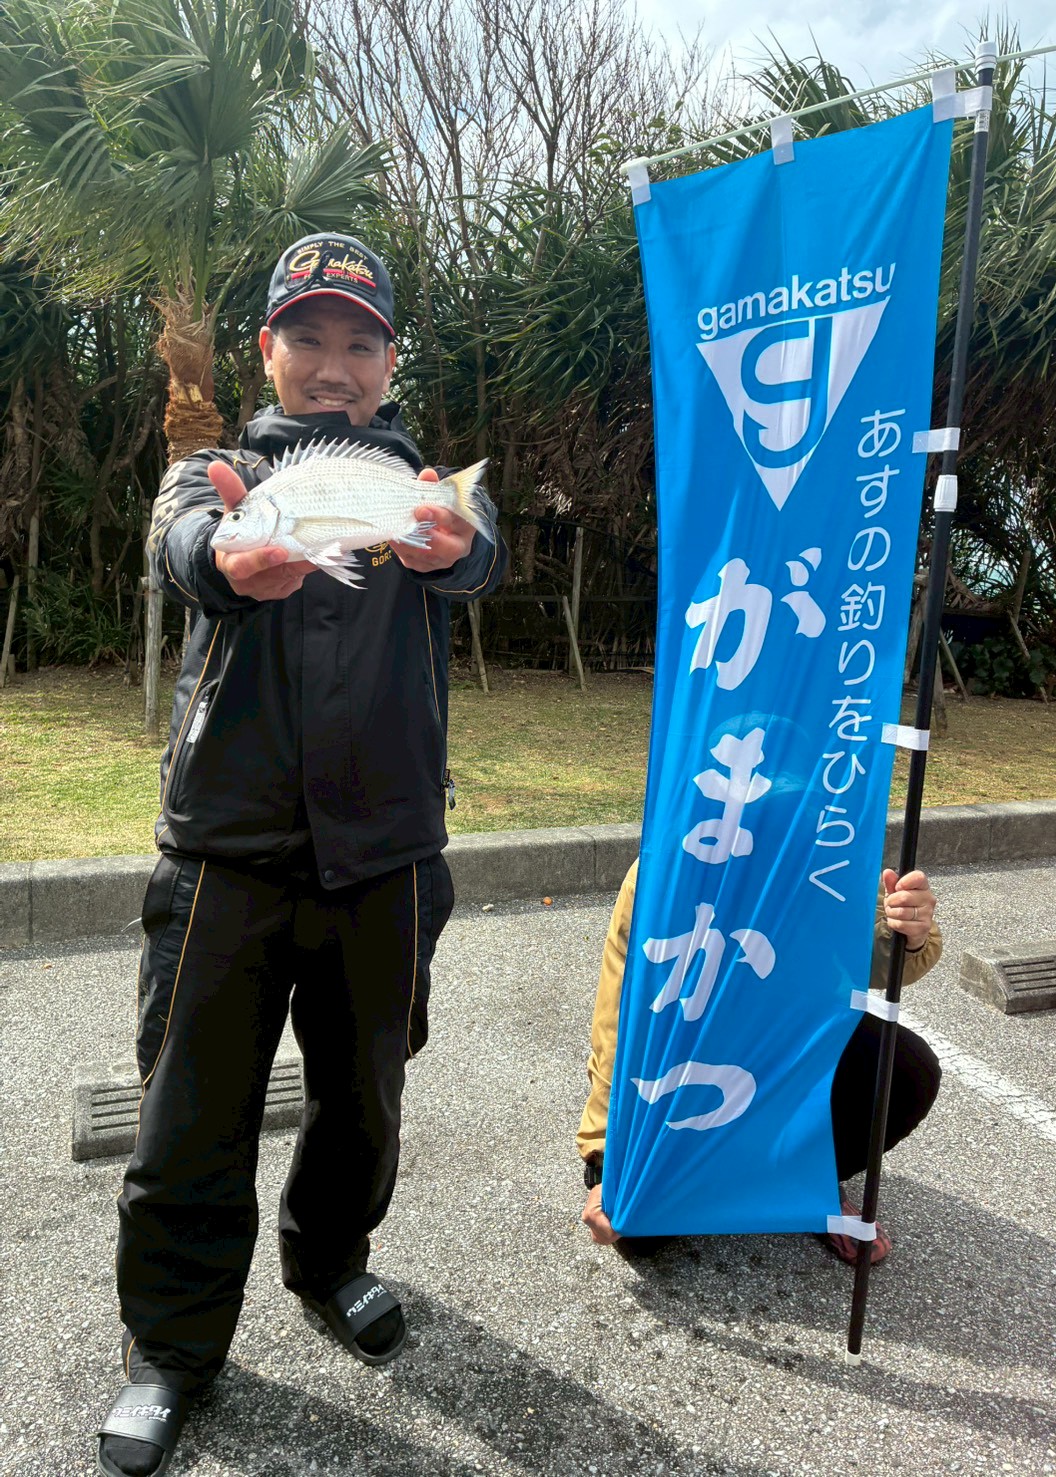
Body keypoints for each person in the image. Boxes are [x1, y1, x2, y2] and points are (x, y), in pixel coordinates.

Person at [96, 233, 506, 1477]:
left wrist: (458, 547)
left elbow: (476, 557)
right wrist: (223, 558)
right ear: (266, 349)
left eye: (360, 343)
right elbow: (182, 550)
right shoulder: (214, 472)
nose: (335, 365)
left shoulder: (424, 485)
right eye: (310, 338)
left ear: (389, 360)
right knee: (189, 1113)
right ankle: (172, 1351)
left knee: (364, 1098)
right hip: (226, 849)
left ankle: (330, 1263)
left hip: (389, 853)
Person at [578, 860, 942, 1263]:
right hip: (695, 1059)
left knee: (907, 1070)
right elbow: (619, 1017)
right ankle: (736, 1174)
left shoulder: (832, 845)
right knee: (634, 1230)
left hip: (794, 1047)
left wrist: (908, 933)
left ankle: (810, 1181)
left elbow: (878, 960)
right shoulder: (671, 857)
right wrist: (605, 1159)